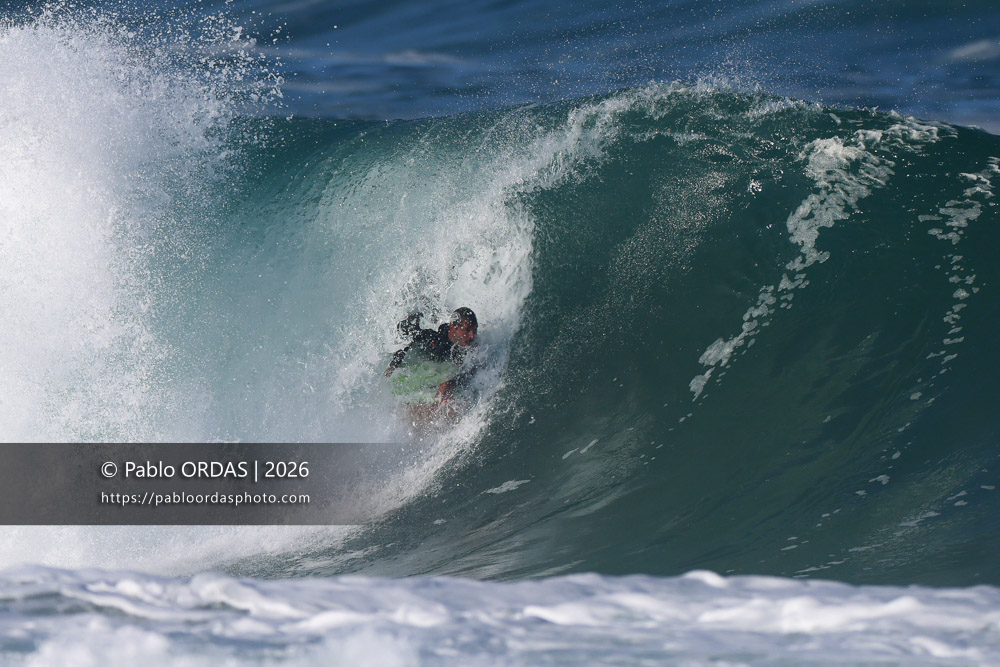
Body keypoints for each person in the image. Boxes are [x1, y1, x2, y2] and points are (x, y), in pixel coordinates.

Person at [385, 307, 478, 402]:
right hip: (416, 335)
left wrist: (451, 383)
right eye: (467, 330)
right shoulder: (437, 341)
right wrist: (394, 364)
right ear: (453, 327)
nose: (472, 336)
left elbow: (472, 372)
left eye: (475, 330)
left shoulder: (472, 346)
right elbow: (408, 341)